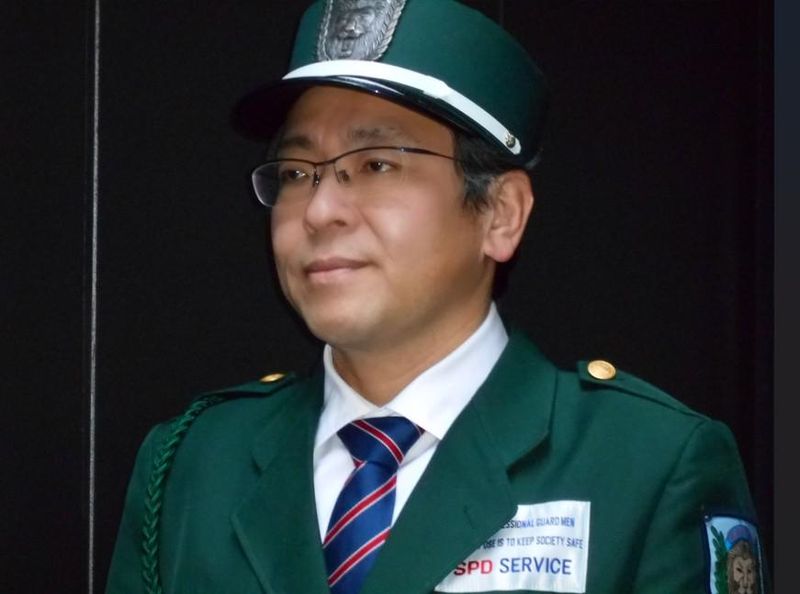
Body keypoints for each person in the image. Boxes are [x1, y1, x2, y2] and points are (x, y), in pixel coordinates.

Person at [106, 1, 768, 593]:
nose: (321, 210)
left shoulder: (643, 463)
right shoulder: (196, 462)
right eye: (297, 172)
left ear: (500, 214)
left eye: (377, 165)